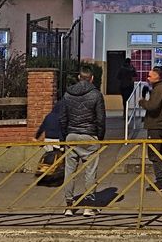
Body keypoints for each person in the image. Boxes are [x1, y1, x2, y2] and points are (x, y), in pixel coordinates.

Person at [60, 66, 106, 216]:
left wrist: (64, 136)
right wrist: (100, 136)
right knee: (90, 171)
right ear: (92, 78)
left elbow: (62, 118)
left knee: (70, 171)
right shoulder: (96, 95)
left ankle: (68, 205)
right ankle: (88, 205)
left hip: (71, 135)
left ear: (79, 77)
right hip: (89, 136)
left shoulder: (67, 94)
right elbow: (100, 119)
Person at [139, 66, 162, 191]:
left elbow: (153, 106)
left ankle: (161, 182)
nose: (147, 78)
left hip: (156, 125)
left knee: (155, 154)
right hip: (159, 125)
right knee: (159, 152)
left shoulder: (159, 89)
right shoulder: (160, 88)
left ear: (157, 77)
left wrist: (142, 102)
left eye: (150, 76)